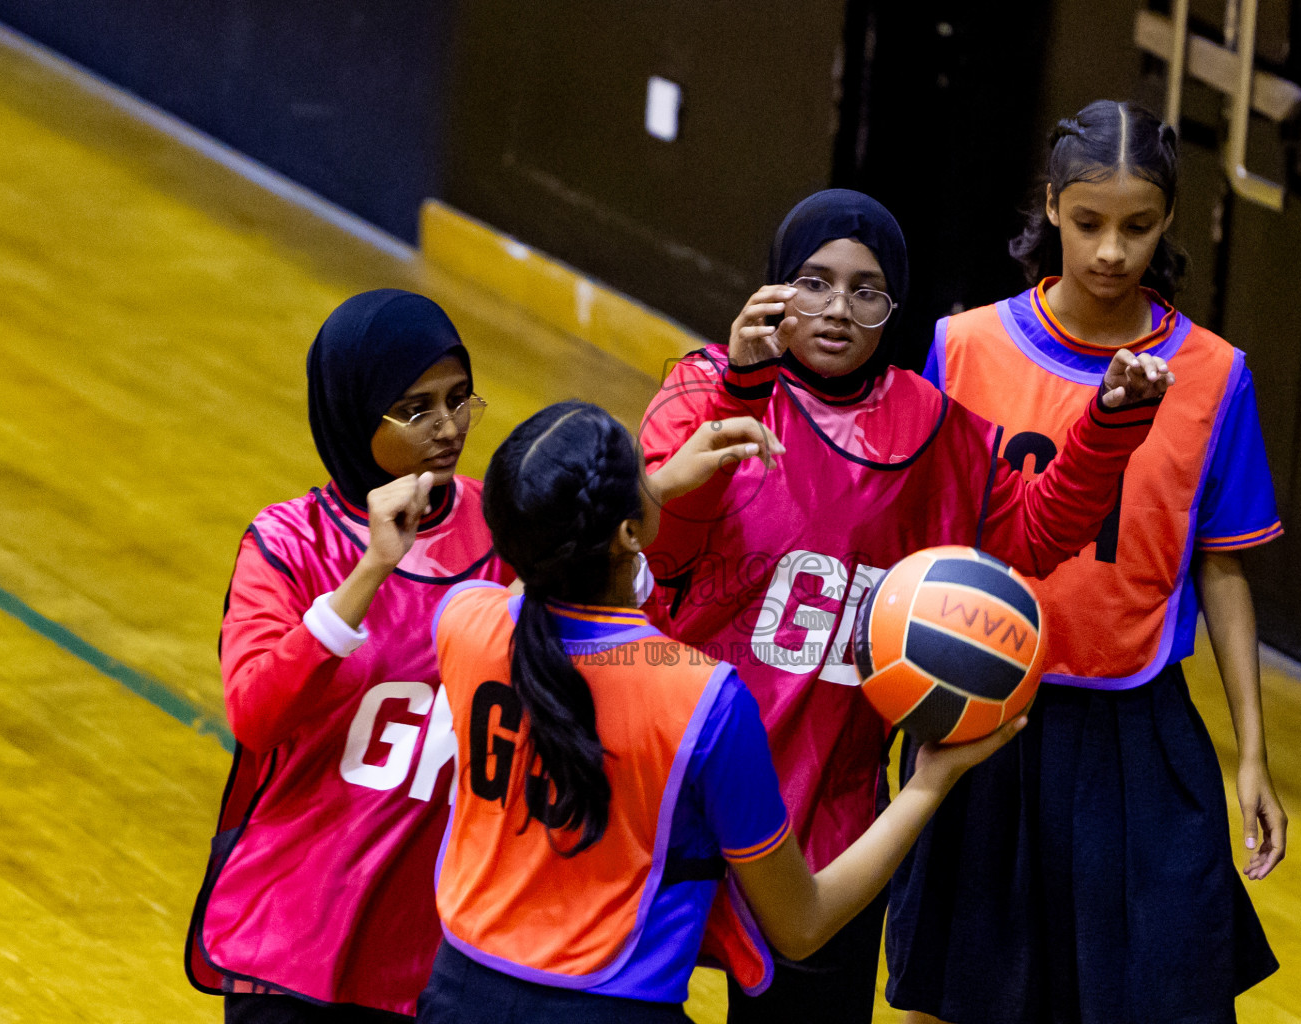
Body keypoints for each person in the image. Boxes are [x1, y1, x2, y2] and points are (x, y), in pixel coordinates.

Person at [636, 188, 1176, 1023]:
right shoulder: (703, 385)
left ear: (895, 308)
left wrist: (1109, 425)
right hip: (679, 771)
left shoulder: (936, 430)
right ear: (774, 287)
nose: (838, 309)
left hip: (829, 797)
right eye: (813, 283)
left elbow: (1033, 536)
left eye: (867, 289)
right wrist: (741, 392)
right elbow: (663, 549)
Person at [416, 400, 1024, 1023]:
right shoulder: (700, 697)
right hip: (608, 1008)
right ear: (627, 531)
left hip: (458, 990)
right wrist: (929, 782)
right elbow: (800, 925)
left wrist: (647, 491)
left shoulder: (462, 623)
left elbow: (527, 581)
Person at [887, 99, 1287, 1024]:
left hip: (1134, 721)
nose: (1112, 250)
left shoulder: (1216, 375)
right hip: (983, 709)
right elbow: (923, 538)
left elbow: (1222, 572)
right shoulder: (965, 346)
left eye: (1138, 227)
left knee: (1162, 986)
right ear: (1053, 210)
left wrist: (1254, 758)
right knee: (962, 990)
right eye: (1090, 223)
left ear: (1169, 224)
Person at [185, 289, 511, 1022]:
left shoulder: (504, 529)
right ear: (353, 411)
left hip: (429, 946)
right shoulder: (287, 545)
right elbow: (257, 713)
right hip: (290, 932)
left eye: (459, 400)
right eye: (415, 408)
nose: (447, 428)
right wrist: (368, 574)